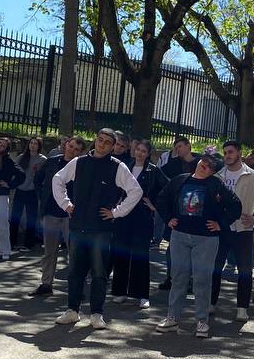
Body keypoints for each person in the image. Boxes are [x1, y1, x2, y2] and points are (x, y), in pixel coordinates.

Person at [51, 128, 143, 328]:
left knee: (99, 274)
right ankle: (72, 310)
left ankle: (96, 314)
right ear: (95, 140)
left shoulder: (117, 167)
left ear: (113, 147)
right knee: (75, 272)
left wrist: (116, 212)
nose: (102, 144)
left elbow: (136, 191)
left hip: (101, 229)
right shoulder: (79, 162)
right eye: (100, 140)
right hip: (78, 227)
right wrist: (66, 204)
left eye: (107, 142)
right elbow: (57, 179)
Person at [157, 152, 240, 337]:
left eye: (211, 166)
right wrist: (168, 218)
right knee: (178, 278)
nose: (205, 165)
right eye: (204, 161)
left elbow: (235, 205)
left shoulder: (216, 185)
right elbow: (162, 198)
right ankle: (172, 317)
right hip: (179, 235)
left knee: (202, 280)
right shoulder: (180, 180)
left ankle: (202, 321)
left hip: (206, 239)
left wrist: (221, 224)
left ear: (213, 172)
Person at [212, 141, 254, 321]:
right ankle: (210, 303)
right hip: (220, 229)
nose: (227, 155)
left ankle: (242, 308)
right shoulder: (217, 176)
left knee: (245, 271)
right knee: (214, 268)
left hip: (243, 229)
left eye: (230, 152)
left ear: (239, 152)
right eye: (224, 153)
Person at [111, 138, 168, 309]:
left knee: (140, 255)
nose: (140, 153)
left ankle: (142, 294)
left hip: (142, 217)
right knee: (121, 253)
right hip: (123, 215)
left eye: (144, 151)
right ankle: (120, 291)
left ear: (148, 154)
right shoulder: (125, 166)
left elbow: (168, 188)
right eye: (138, 150)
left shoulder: (154, 170)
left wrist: (154, 205)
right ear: (134, 150)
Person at [31, 136, 85, 297]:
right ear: (66, 145)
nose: (72, 150)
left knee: (74, 252)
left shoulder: (81, 166)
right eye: (71, 146)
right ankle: (46, 283)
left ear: (80, 152)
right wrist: (43, 197)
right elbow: (38, 180)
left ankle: (76, 287)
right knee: (49, 251)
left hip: (71, 215)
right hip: (51, 212)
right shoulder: (52, 161)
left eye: (77, 149)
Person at [159, 137, 198, 289]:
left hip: (196, 211)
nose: (178, 149)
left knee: (193, 250)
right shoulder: (173, 164)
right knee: (172, 248)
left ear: (189, 146)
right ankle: (171, 277)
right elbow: (160, 177)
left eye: (180, 146)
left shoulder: (201, 162)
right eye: (176, 147)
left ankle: (190, 280)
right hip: (177, 211)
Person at [10, 136, 47, 251]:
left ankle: (28, 244)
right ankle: (11, 242)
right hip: (20, 190)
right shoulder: (22, 157)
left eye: (35, 144)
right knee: (15, 217)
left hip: (32, 192)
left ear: (39, 146)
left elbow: (44, 175)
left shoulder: (42, 159)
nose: (33, 145)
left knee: (31, 218)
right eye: (31, 143)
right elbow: (13, 171)